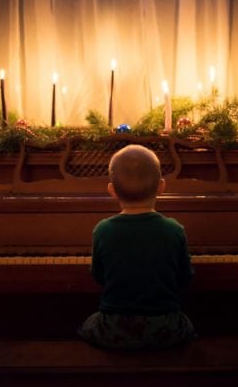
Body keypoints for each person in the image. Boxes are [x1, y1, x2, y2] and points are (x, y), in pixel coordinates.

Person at [77, 144, 196, 350]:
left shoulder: (103, 230)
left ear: (112, 191)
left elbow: (98, 277)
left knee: (85, 325)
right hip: (166, 328)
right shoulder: (174, 229)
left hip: (114, 329)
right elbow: (185, 278)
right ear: (161, 186)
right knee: (189, 324)